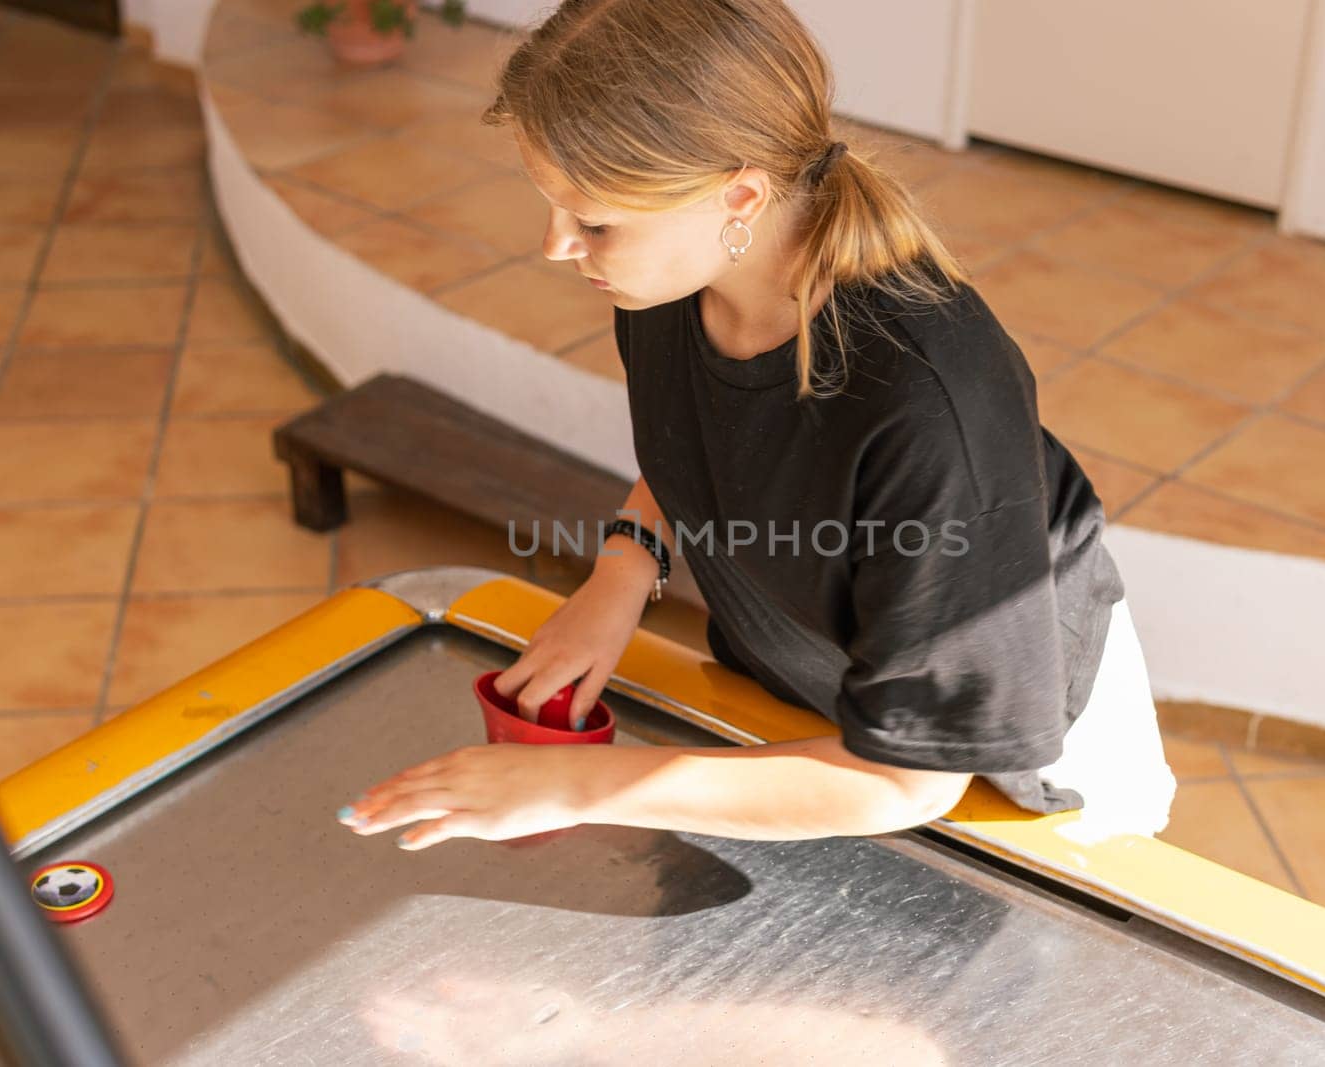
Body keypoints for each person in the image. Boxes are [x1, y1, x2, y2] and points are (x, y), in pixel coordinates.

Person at [339, 0, 1175, 850]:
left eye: (591, 220)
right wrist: (624, 571)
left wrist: (576, 782)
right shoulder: (669, 279)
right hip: (805, 699)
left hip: (1011, 774)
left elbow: (909, 779)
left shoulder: (930, 408)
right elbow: (706, 443)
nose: (556, 246)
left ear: (737, 195)